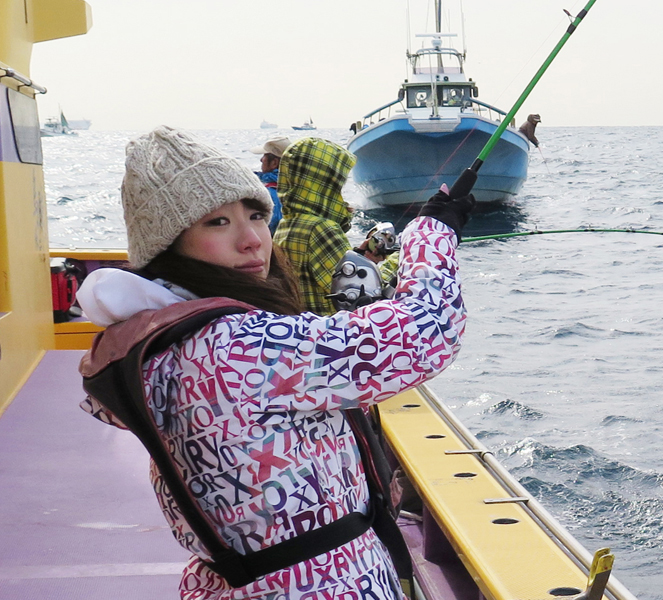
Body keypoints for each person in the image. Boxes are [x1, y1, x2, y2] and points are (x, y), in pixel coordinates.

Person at [76, 125, 475, 600]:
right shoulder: (236, 345)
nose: (252, 239)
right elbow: (430, 328)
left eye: (256, 214)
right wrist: (432, 231)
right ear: (168, 244)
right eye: (216, 222)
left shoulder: (158, 339)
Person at [272, 138, 365, 315]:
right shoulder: (321, 229)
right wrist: (395, 261)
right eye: (337, 185)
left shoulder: (286, 224)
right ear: (323, 184)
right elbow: (363, 292)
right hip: (335, 335)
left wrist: (361, 256)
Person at [248, 135, 292, 233]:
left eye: (264, 156)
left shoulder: (268, 193)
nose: (261, 160)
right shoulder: (293, 186)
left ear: (274, 163)